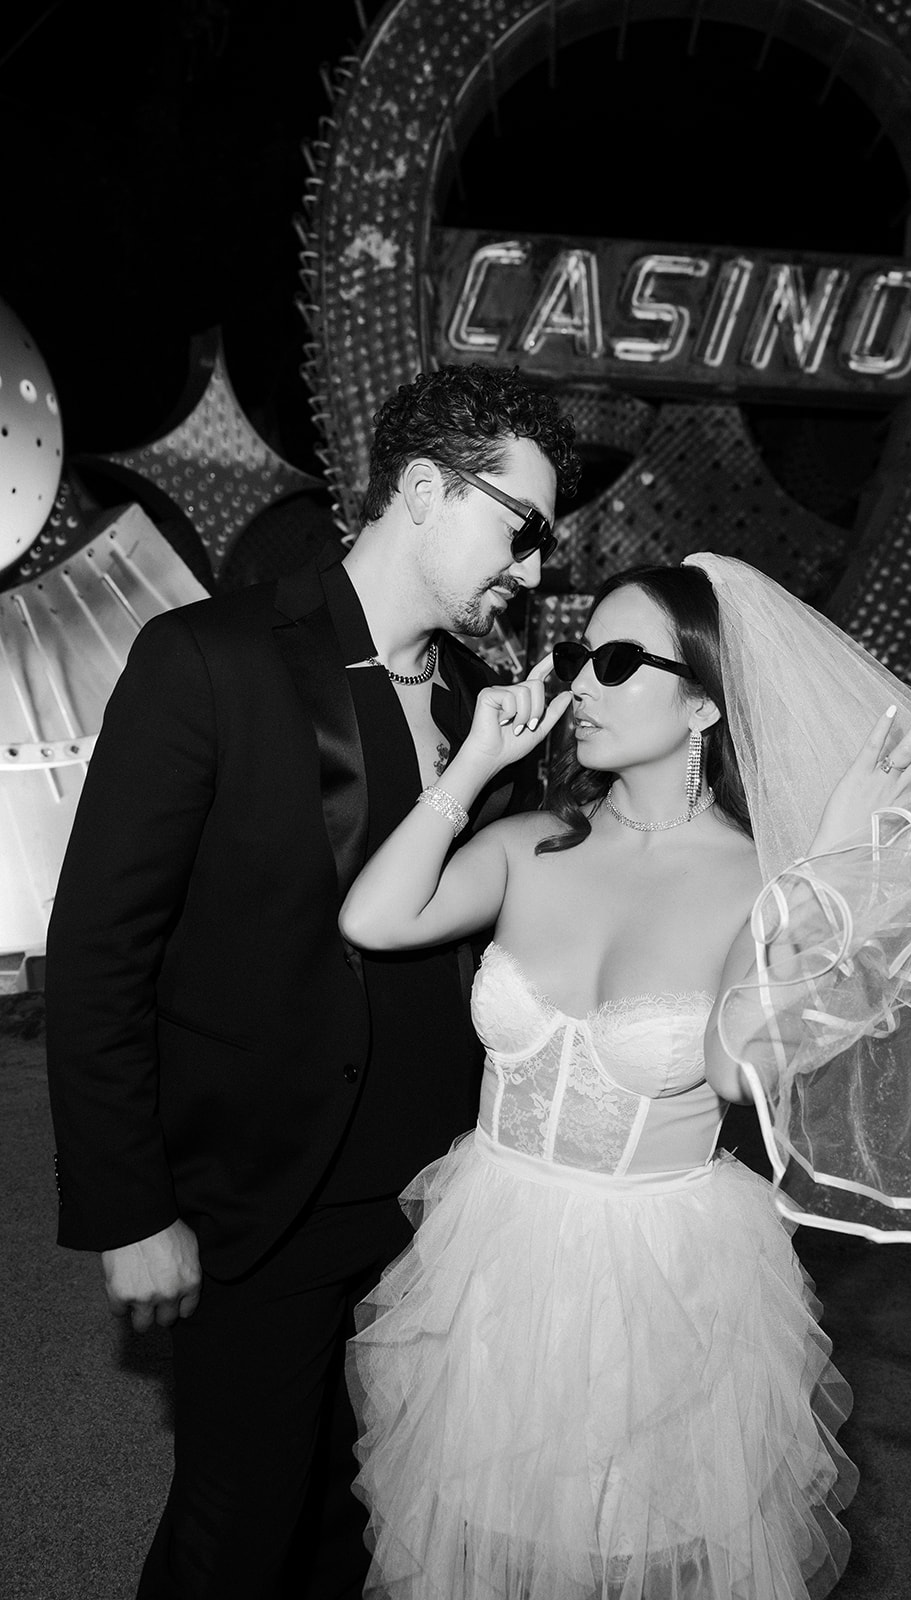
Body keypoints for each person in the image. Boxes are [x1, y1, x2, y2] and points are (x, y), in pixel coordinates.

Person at [339, 554, 911, 1599]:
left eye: (620, 662)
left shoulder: (757, 881)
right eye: (584, 655)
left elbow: (738, 1066)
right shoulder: (532, 841)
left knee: (625, 1553)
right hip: (492, 1239)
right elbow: (374, 917)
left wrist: (827, 878)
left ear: (703, 709)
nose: (581, 684)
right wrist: (466, 769)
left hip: (656, 1277)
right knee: (482, 1540)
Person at [45, 362, 581, 1599]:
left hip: (434, 1204)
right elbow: (98, 952)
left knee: (368, 1520)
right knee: (239, 1526)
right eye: (522, 528)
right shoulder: (207, 657)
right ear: (421, 488)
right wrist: (129, 1208)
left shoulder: (480, 703)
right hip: (257, 1196)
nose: (535, 568)